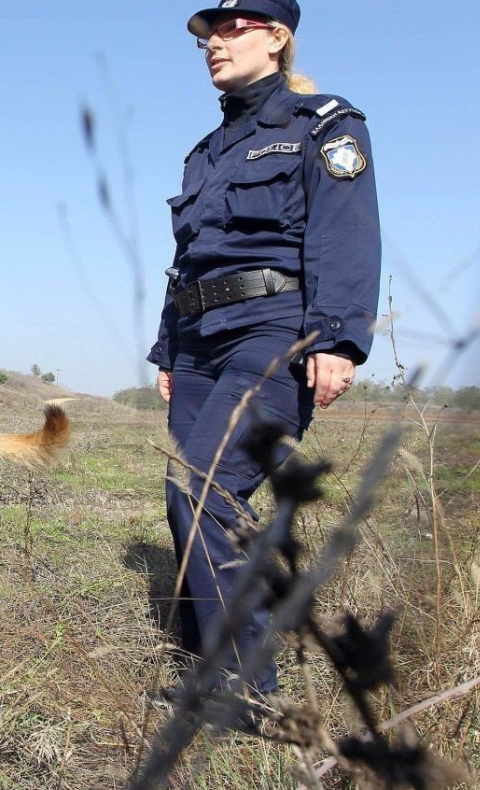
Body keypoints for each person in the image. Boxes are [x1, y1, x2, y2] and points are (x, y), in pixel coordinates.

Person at [148, 0, 381, 698]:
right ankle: (205, 662)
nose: (212, 44)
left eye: (230, 28)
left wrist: (337, 338)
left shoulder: (324, 123)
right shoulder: (206, 152)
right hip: (197, 342)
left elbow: (345, 230)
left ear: (276, 37)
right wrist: (167, 350)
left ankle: (248, 688)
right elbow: (189, 256)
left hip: (275, 330)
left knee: (210, 488)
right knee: (183, 491)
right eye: (205, 35)